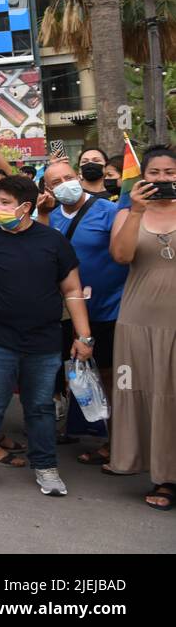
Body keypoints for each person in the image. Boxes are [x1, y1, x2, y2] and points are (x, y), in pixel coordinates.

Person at [0, 175, 92, 496]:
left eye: (5, 203)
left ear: (26, 206)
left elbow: (72, 289)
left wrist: (84, 336)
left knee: (40, 407)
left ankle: (46, 467)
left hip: (44, 342)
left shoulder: (52, 241)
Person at [36, 158, 128, 466]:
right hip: (70, 312)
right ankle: (94, 432)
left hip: (110, 308)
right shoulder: (50, 217)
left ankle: (119, 445)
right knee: (79, 375)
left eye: (67, 177)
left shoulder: (110, 211)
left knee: (110, 377)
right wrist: (45, 215)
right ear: (47, 189)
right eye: (55, 182)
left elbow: (125, 254)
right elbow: (45, 253)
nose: (64, 184)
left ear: (78, 176)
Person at [107, 146, 176, 510]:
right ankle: (164, 478)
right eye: (155, 173)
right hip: (140, 321)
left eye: (169, 172)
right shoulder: (127, 213)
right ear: (142, 177)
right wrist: (135, 210)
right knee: (151, 395)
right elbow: (121, 256)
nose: (163, 179)